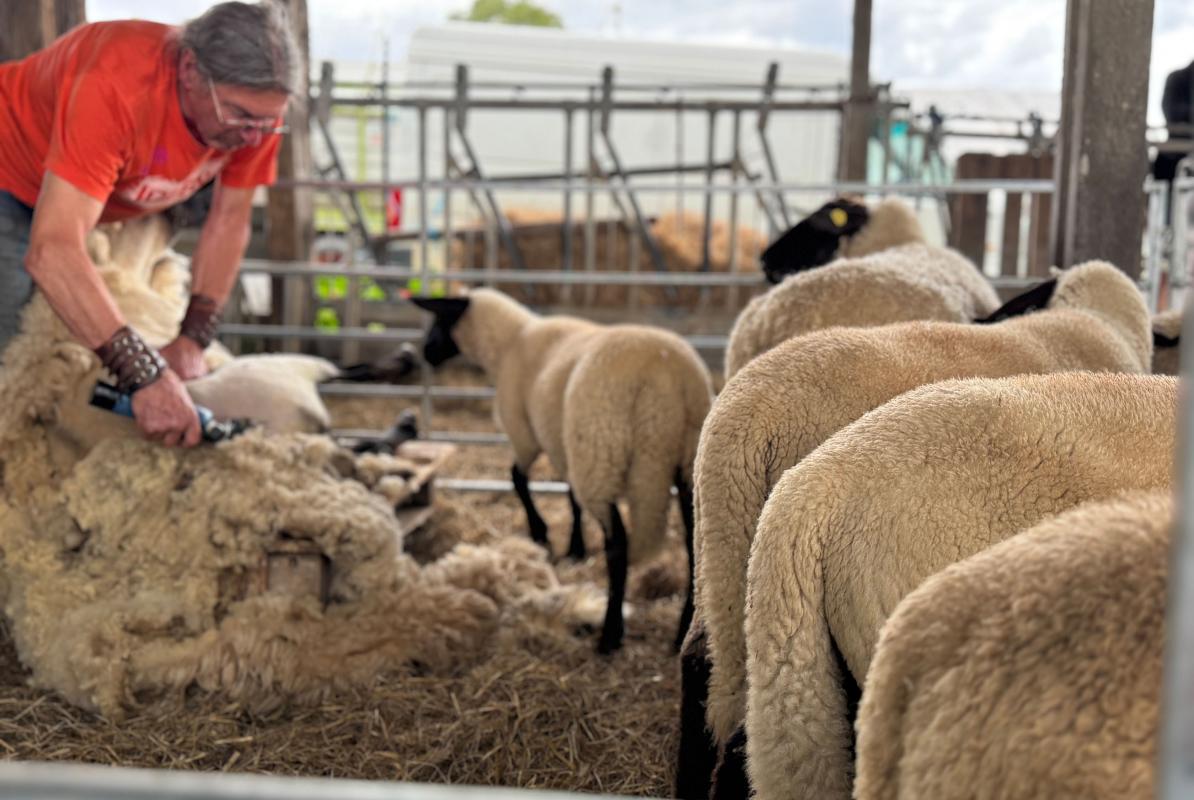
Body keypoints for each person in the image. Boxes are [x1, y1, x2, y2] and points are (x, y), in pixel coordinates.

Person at [0, 1, 300, 447]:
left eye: (267, 121)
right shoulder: (115, 84)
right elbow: (52, 251)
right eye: (239, 115)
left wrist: (193, 338)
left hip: (102, 194)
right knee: (12, 343)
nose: (253, 138)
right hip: (11, 171)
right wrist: (143, 374)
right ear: (190, 69)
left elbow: (231, 217)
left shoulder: (250, 119)